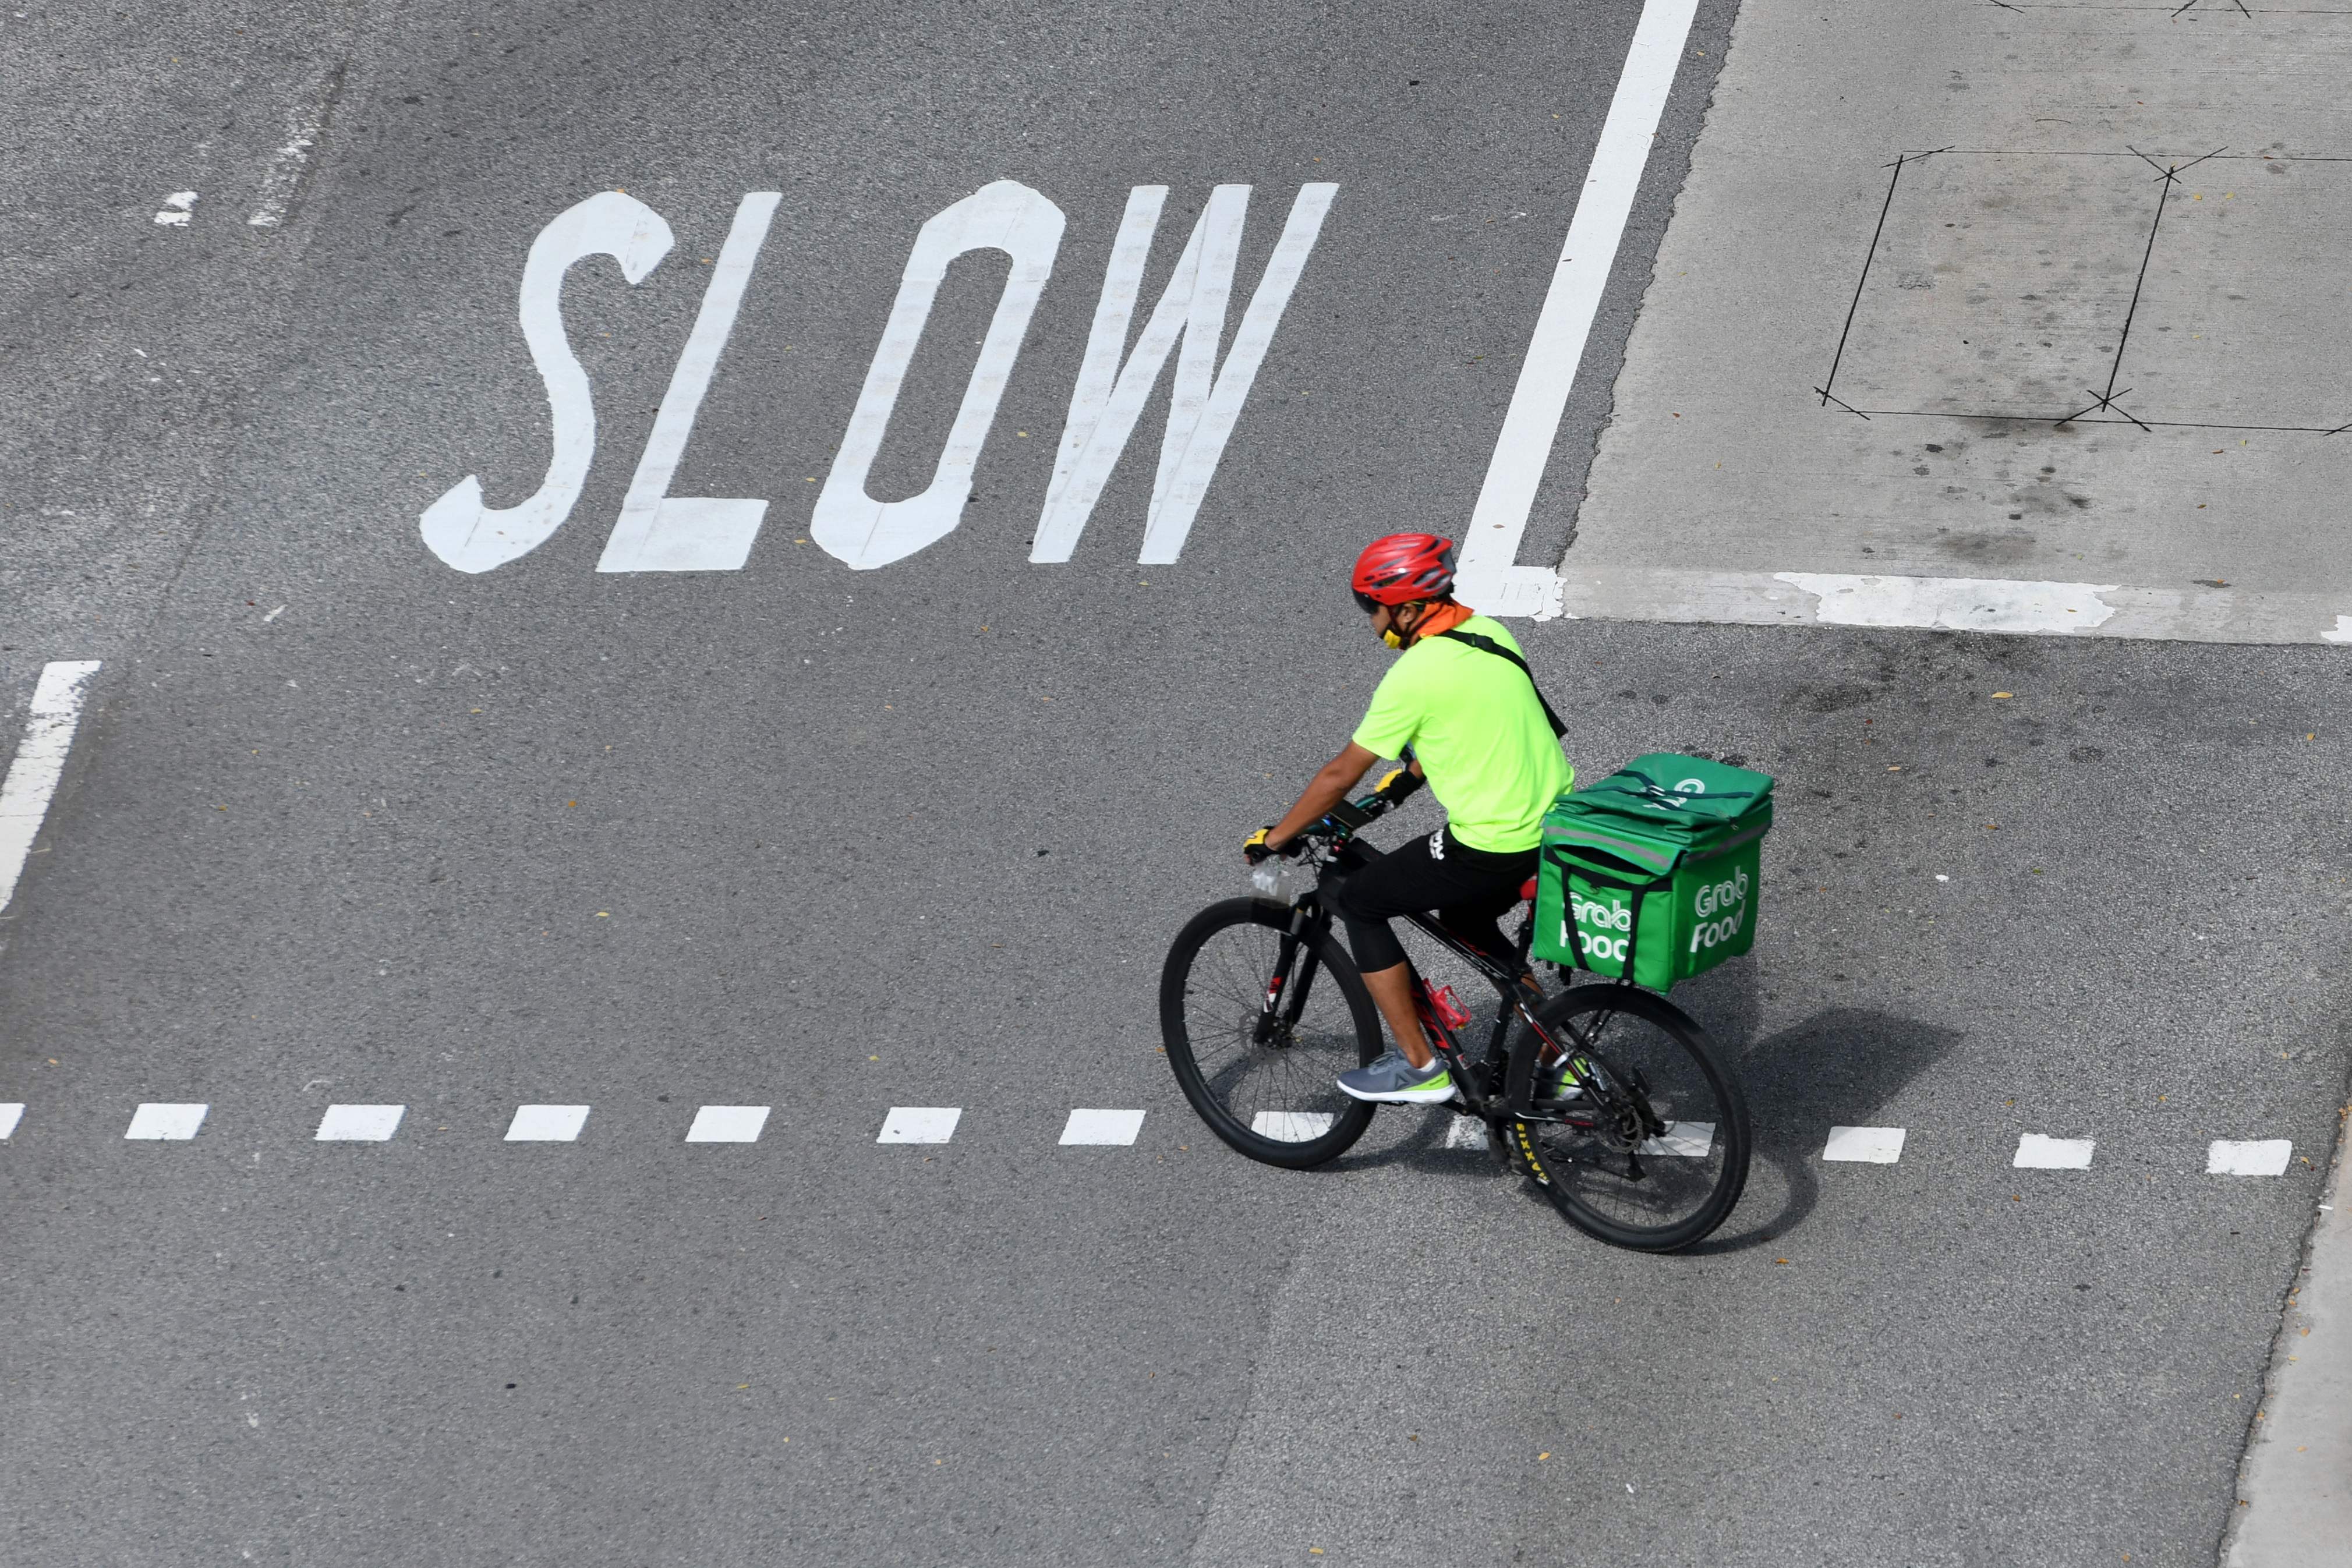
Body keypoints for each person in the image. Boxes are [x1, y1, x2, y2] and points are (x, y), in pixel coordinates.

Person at [1244, 533, 1572, 1103]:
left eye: (1370, 606)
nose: (1368, 619)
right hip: (1557, 823)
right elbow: (1450, 739)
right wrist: (1385, 798)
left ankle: (1421, 1065)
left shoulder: (1416, 673)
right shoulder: (1490, 633)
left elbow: (1338, 775)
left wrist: (1277, 837)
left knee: (1359, 901)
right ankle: (1556, 1056)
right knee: (1467, 922)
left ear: (1405, 608)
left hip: (1493, 842)